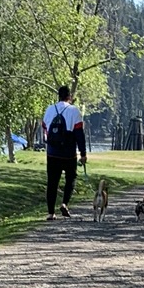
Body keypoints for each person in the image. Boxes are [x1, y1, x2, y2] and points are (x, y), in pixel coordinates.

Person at [41, 86, 88, 218]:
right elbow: (79, 134)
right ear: (70, 96)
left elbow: (45, 128)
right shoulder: (74, 111)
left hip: (52, 152)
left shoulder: (50, 109)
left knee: (52, 182)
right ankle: (64, 204)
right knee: (70, 178)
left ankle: (51, 213)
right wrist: (83, 153)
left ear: (58, 96)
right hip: (68, 154)